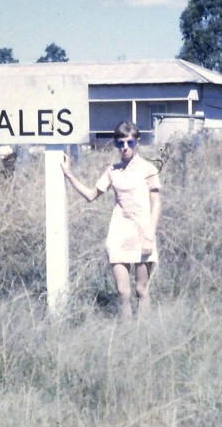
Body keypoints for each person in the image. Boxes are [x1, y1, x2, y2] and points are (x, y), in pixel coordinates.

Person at [60, 121, 161, 320]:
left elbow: (156, 204)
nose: (125, 147)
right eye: (120, 143)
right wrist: (68, 173)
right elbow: (90, 195)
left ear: (137, 142)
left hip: (143, 234)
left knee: (141, 289)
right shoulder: (112, 171)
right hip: (119, 234)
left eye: (130, 143)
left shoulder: (148, 169)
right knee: (123, 292)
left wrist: (150, 235)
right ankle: (127, 335)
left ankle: (145, 337)